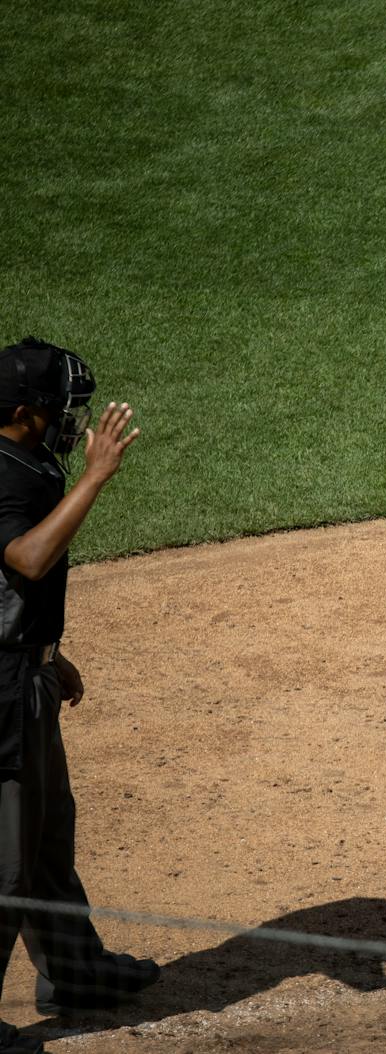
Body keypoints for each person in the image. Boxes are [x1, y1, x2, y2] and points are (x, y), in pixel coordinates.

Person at [0, 337, 154, 1053]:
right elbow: (28, 559)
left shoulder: (23, 459)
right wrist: (94, 479)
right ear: (24, 413)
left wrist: (46, 655)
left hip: (23, 674)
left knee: (48, 835)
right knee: (7, 861)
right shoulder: (2, 473)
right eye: (63, 408)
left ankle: (76, 972)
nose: (74, 419)